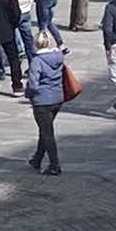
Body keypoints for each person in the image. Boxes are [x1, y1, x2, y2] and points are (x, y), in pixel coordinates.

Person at [25, 30, 66, 175]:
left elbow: (34, 85)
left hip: (42, 101)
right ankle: (37, 158)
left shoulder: (37, 61)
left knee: (47, 132)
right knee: (45, 129)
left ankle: (54, 165)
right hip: (57, 98)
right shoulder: (58, 57)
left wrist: (28, 93)